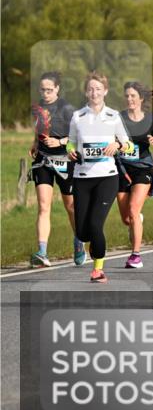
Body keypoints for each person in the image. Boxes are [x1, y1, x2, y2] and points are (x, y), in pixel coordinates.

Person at [66, 72, 134, 284]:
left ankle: (98, 269)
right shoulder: (78, 117)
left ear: (105, 91)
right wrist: (70, 151)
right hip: (82, 177)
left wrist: (119, 145)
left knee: (96, 225)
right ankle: (91, 242)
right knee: (84, 232)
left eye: (98, 89)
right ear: (86, 92)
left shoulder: (113, 116)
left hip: (107, 178)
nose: (94, 92)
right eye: (90, 89)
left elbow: (130, 145)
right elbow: (70, 142)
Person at [115, 81, 153, 269]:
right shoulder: (118, 118)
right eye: (127, 96)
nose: (129, 99)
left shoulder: (150, 119)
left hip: (143, 168)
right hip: (121, 168)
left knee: (133, 209)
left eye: (133, 96)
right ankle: (137, 220)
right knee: (126, 219)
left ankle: (135, 255)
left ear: (141, 98)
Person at [28, 72, 78, 267]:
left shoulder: (67, 108)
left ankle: (79, 241)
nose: (46, 93)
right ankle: (42, 251)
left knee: (71, 207)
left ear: (57, 88)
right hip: (43, 161)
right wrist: (35, 143)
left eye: (49, 90)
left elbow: (76, 136)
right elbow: (39, 127)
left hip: (65, 160)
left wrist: (60, 141)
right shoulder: (37, 107)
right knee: (43, 206)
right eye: (43, 90)